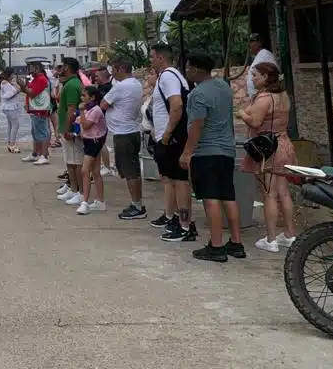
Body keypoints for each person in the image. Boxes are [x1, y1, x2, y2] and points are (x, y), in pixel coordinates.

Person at [180, 52, 246, 263]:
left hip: (206, 151)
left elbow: (197, 125)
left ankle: (216, 245)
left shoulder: (197, 95)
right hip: (227, 150)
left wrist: (187, 152)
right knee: (228, 196)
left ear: (198, 69)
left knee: (211, 199)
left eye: (189, 68)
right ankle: (236, 242)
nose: (187, 71)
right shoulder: (224, 87)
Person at [239, 61, 298, 253]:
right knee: (284, 192)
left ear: (265, 77)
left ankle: (271, 238)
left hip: (269, 149)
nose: (252, 79)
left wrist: (242, 114)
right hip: (284, 144)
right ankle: (289, 233)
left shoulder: (264, 98)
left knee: (269, 193)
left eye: (255, 75)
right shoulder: (282, 96)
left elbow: (254, 121)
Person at [147, 44, 196, 243]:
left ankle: (185, 226)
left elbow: (176, 105)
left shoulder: (168, 77)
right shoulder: (169, 76)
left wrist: (167, 134)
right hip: (168, 138)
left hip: (173, 139)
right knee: (173, 181)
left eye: (152, 57)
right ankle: (177, 219)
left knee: (181, 183)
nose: (150, 61)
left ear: (161, 58)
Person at [99, 57, 146, 220]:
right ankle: (136, 203)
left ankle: (137, 205)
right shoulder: (136, 84)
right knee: (132, 170)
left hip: (123, 133)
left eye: (114, 70)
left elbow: (103, 104)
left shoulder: (121, 86)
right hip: (132, 131)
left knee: (129, 172)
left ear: (121, 69)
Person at [56, 58, 86, 206]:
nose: (60, 69)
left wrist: (68, 128)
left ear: (68, 68)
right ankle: (74, 189)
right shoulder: (69, 84)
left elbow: (72, 110)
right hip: (67, 127)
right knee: (70, 161)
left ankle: (80, 192)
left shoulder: (72, 85)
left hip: (72, 129)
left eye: (62, 66)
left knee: (76, 162)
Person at [74, 85, 107, 215]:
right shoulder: (90, 110)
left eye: (84, 95)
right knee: (96, 171)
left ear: (92, 97)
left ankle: (85, 201)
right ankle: (100, 200)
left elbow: (86, 125)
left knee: (84, 170)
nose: (82, 98)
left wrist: (81, 112)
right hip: (89, 141)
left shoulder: (96, 110)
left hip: (94, 142)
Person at [17, 62, 51, 166]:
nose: (28, 70)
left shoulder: (41, 79)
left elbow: (32, 93)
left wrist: (23, 86)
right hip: (35, 110)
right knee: (36, 133)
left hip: (40, 110)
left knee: (42, 133)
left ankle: (44, 155)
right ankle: (36, 153)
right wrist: (24, 85)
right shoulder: (36, 79)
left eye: (30, 67)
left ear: (37, 68)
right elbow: (28, 90)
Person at [245, 33, 278, 99]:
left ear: (259, 43)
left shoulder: (265, 54)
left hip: (264, 97)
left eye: (252, 41)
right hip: (259, 97)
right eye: (249, 42)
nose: (249, 44)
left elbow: (272, 75)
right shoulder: (259, 55)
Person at [0, 69, 23, 153]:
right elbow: (8, 94)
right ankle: (12, 144)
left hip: (11, 107)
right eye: (12, 74)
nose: (13, 76)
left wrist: (16, 86)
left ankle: (10, 143)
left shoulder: (9, 82)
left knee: (11, 125)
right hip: (10, 107)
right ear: (9, 74)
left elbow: (18, 88)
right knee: (15, 125)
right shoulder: (4, 83)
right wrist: (16, 90)